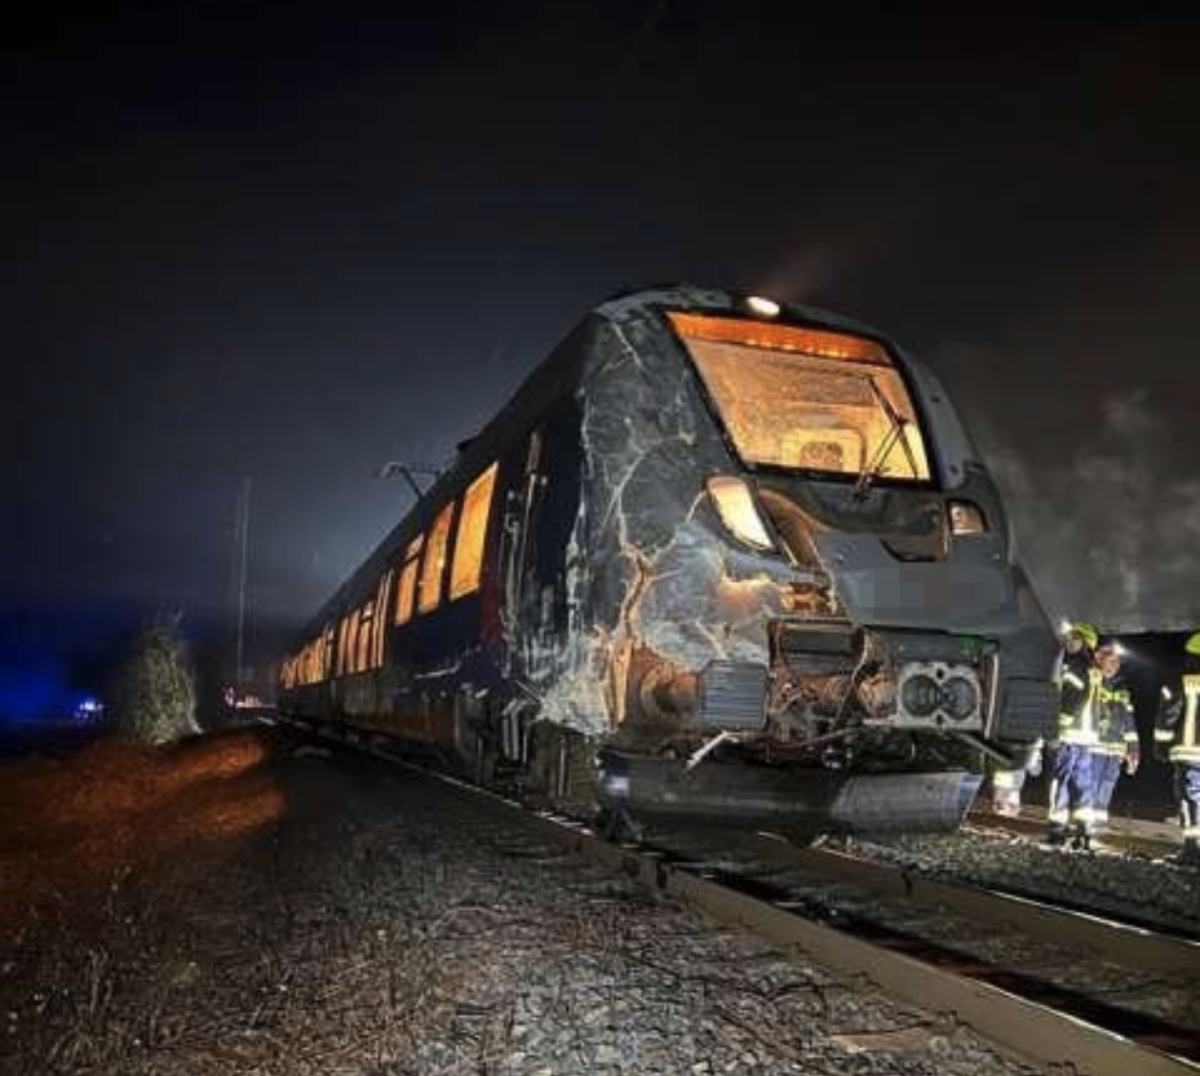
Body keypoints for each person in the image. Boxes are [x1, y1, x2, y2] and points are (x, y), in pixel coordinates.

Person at [1046, 622, 1099, 846]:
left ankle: (1057, 829)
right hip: (1086, 738)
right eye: (1068, 638)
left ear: (1084, 642)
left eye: (1074, 638)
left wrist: (1058, 725)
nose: (1069, 642)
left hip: (1069, 734)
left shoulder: (1075, 665)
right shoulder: (1092, 668)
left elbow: (1075, 698)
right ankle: (1084, 830)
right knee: (1082, 784)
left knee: (1059, 781)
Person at [1154, 632, 1200, 867]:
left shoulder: (1181, 680)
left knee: (1189, 798)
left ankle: (1192, 850)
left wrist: (1161, 745)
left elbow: (1168, 716)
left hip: (1189, 751)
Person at [1089, 642, 1138, 833]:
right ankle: (1085, 817)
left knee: (1109, 780)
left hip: (1116, 746)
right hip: (1094, 743)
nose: (1114, 664)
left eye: (1117, 661)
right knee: (1092, 779)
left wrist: (1133, 748)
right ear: (1099, 661)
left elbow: (1129, 719)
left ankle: (1099, 817)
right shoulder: (1092, 680)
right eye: (1111, 660)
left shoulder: (1122, 687)